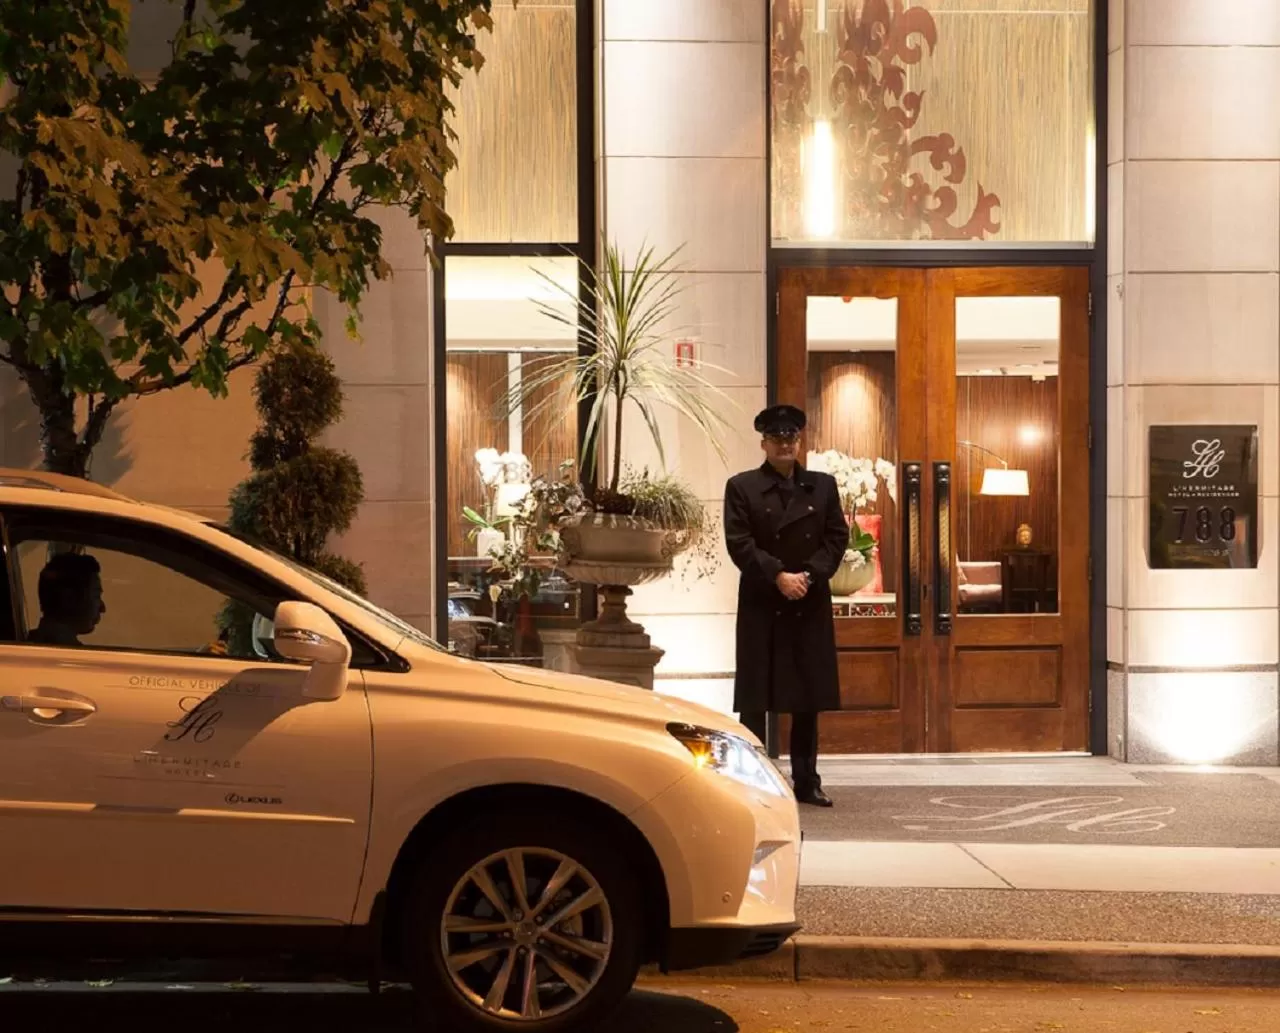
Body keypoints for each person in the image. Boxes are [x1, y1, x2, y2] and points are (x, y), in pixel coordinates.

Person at [724, 404, 849, 807]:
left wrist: (808, 576)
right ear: (763, 443)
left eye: (791, 439)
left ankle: (807, 780)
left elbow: (836, 538)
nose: (784, 445)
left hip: (807, 601)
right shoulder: (741, 486)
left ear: (800, 441)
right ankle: (753, 779)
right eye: (777, 439)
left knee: (806, 697)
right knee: (757, 697)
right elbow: (739, 542)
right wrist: (778, 574)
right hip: (764, 600)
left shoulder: (822, 486)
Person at [27, 552, 106, 647]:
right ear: (69, 598)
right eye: (96, 595)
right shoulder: (74, 657)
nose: (103, 608)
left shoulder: (31, 644)